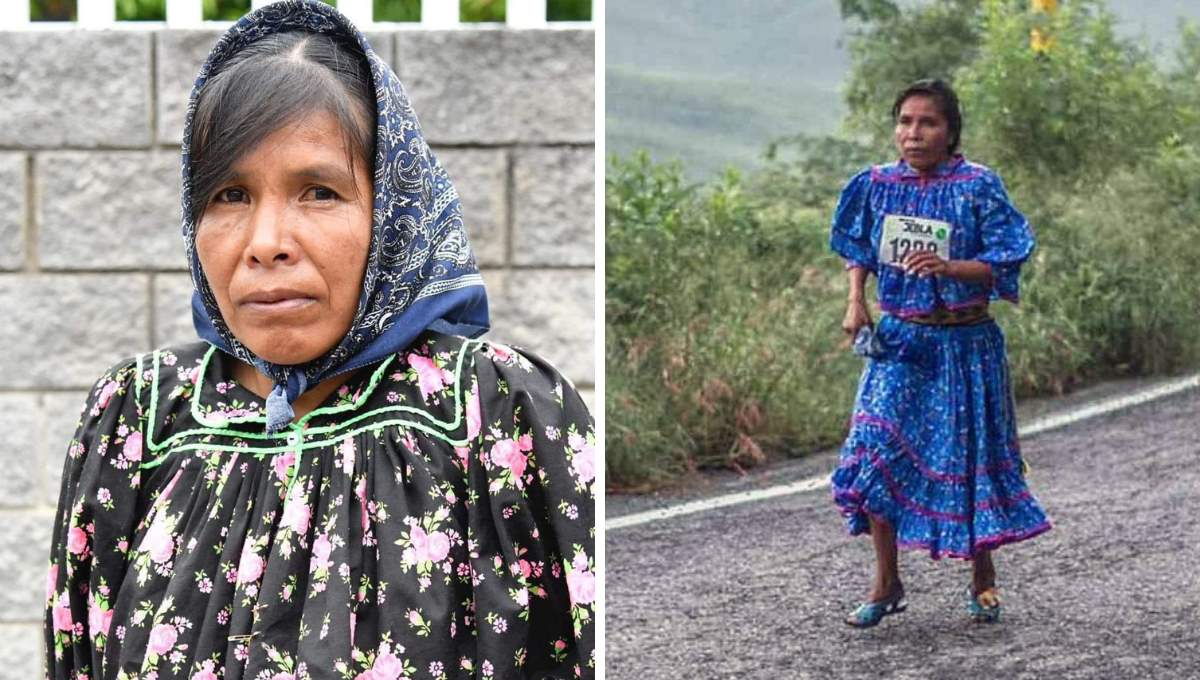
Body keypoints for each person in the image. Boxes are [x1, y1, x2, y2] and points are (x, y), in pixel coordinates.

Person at [43, 2, 597, 678]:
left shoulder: (496, 412)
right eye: (228, 195)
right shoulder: (138, 418)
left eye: (319, 192)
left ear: (395, 209)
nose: (267, 243)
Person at [829, 78, 1050, 628]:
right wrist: (857, 301)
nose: (913, 133)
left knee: (965, 456)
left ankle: (982, 579)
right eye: (905, 121)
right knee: (874, 449)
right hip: (901, 339)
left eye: (927, 123)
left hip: (965, 343)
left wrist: (950, 267)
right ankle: (886, 584)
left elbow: (1006, 258)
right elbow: (858, 248)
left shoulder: (978, 186)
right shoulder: (876, 185)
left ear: (950, 131)